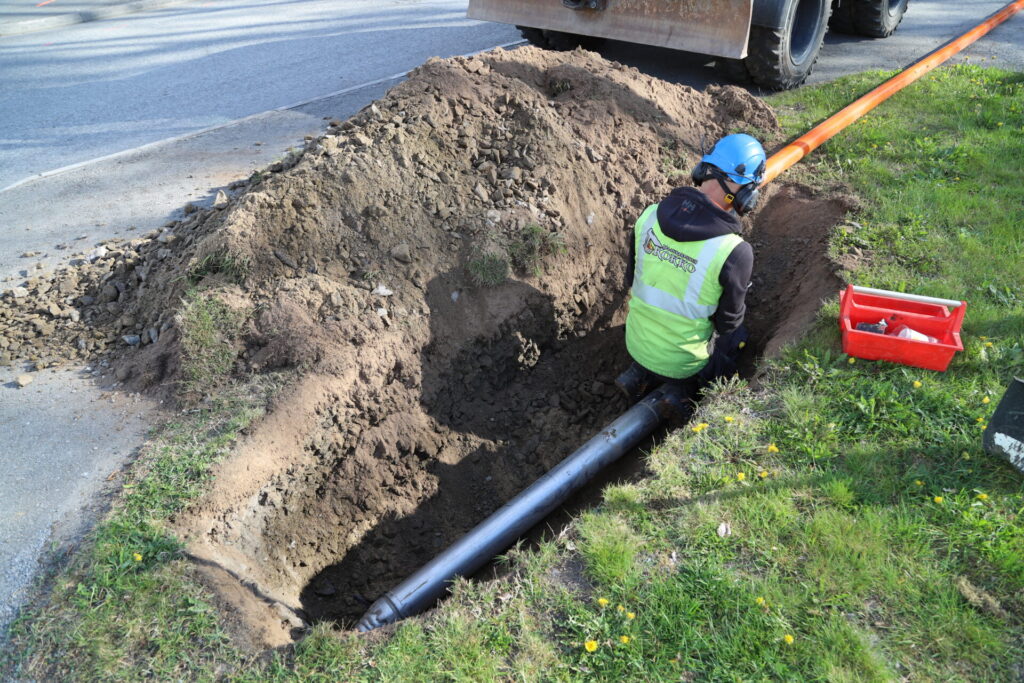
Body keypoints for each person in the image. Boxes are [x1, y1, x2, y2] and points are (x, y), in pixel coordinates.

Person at [615, 133, 766, 401]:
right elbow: (727, 323)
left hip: (635, 345)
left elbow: (630, 279)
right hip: (683, 366)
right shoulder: (734, 251)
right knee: (737, 337)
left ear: (703, 170)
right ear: (742, 191)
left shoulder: (649, 215)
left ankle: (640, 374)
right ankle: (685, 395)